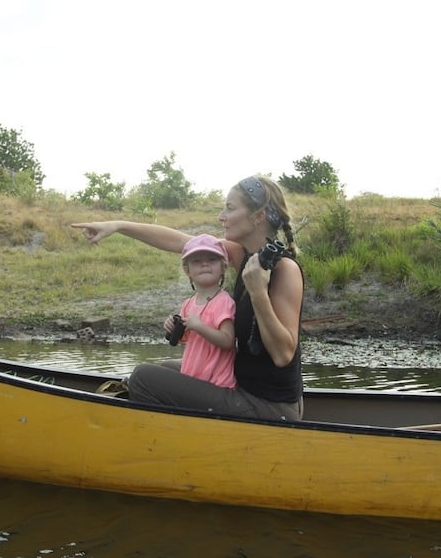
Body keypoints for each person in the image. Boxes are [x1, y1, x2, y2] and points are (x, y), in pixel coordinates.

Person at [72, 175, 303, 421]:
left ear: (258, 216)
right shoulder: (244, 254)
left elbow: (282, 355)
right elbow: (181, 242)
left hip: (269, 407)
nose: (221, 216)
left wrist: (258, 293)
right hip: (242, 384)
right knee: (165, 369)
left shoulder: (283, 269)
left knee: (143, 378)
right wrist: (118, 226)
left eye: (230, 208)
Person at [169, 233, 236, 389]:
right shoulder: (188, 303)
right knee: (161, 368)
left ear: (223, 267)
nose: (205, 264)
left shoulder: (224, 302)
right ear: (187, 270)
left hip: (216, 383)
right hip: (194, 377)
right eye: (197, 261)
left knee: (144, 374)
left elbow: (228, 341)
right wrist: (172, 328)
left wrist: (199, 326)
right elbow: (184, 339)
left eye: (212, 260)